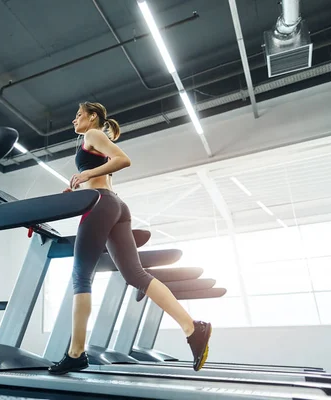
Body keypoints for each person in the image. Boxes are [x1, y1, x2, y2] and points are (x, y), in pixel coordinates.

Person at [48, 101, 212, 375]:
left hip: (101, 204)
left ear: (92, 117)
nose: (73, 121)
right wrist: (78, 188)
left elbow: (123, 160)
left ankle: (76, 353)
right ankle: (192, 328)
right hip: (116, 205)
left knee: (81, 276)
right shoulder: (94, 139)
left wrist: (87, 174)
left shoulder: (93, 134)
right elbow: (103, 174)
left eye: (78, 115)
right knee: (136, 274)